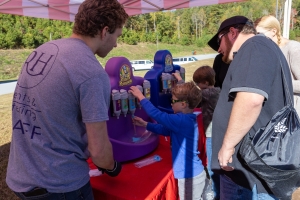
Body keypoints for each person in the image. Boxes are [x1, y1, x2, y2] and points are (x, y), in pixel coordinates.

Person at [6, 0, 128, 199]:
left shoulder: (41, 50)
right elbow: (98, 152)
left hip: (22, 177)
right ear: (105, 31)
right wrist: (113, 166)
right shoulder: (92, 72)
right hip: (60, 184)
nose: (116, 44)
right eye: (117, 36)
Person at [207, 15, 293, 199]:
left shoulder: (255, 46)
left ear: (232, 33)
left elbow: (251, 99)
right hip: (253, 170)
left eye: (218, 41)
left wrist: (228, 146)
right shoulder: (262, 48)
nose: (219, 49)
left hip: (247, 175)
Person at [129, 82, 206, 200]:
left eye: (173, 101)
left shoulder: (180, 120)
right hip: (194, 175)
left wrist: (141, 96)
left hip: (190, 177)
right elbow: (165, 130)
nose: (171, 103)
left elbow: (156, 114)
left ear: (183, 104)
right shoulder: (187, 119)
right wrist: (145, 124)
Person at [255, 15, 300, 114]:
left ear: (274, 31)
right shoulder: (267, 49)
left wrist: (276, 83)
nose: (257, 38)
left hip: (294, 113)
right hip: (276, 111)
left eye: (260, 34)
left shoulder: (294, 49)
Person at [192, 65, 221, 199]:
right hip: (218, 132)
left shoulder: (207, 94)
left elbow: (191, 96)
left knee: (211, 166)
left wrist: (179, 80)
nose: (197, 85)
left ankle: (216, 193)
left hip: (211, 134)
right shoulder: (217, 90)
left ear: (206, 83)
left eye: (198, 82)